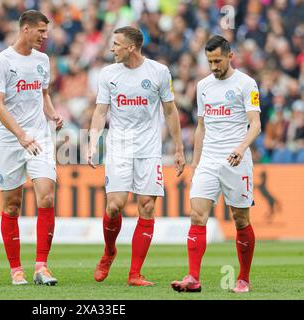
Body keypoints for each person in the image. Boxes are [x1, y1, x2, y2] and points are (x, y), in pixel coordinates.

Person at [87, 26, 185, 286]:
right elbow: (100, 112)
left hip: (149, 149)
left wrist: (178, 147)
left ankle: (134, 273)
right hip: (119, 146)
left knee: (148, 206)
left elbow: (170, 111)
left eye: (116, 44)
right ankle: (109, 252)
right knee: (115, 205)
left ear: (131, 47)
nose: (112, 48)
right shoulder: (108, 74)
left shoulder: (159, 72)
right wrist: (92, 141)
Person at [171, 35, 261, 293]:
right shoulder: (203, 86)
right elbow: (201, 127)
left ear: (230, 56)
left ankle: (243, 278)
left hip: (236, 160)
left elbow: (255, 124)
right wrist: (196, 164)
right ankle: (193, 278)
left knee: (240, 220)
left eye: (218, 60)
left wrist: (241, 149)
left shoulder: (246, 84)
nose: (214, 66)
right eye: (210, 61)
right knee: (197, 215)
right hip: (209, 160)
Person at [0, 10, 63, 286]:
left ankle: (42, 266)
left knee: (46, 196)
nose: (45, 36)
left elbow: (42, 94)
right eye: (41, 31)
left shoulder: (43, 60)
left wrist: (53, 113)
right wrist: (19, 134)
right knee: (12, 205)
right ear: (26, 29)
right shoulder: (1, 61)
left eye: (46, 31)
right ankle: (15, 269)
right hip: (10, 140)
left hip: (39, 137)